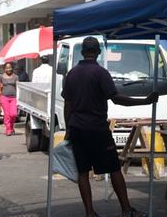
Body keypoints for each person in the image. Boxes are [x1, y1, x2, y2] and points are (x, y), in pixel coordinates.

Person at [62, 36, 158, 217]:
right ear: (98, 52)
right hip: (97, 128)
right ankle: (126, 210)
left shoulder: (72, 74)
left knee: (83, 172)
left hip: (76, 128)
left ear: (82, 52)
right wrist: (144, 101)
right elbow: (116, 98)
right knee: (114, 168)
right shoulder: (100, 73)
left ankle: (90, 212)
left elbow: (68, 104)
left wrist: (68, 129)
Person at [0, 62, 19, 136]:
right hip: (4, 97)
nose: (8, 69)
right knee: (6, 114)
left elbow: (18, 87)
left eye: (9, 68)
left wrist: (19, 97)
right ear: (4, 69)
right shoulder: (1, 77)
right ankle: (8, 129)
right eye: (6, 68)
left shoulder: (15, 77)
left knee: (13, 114)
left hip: (13, 97)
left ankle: (11, 125)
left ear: (12, 68)